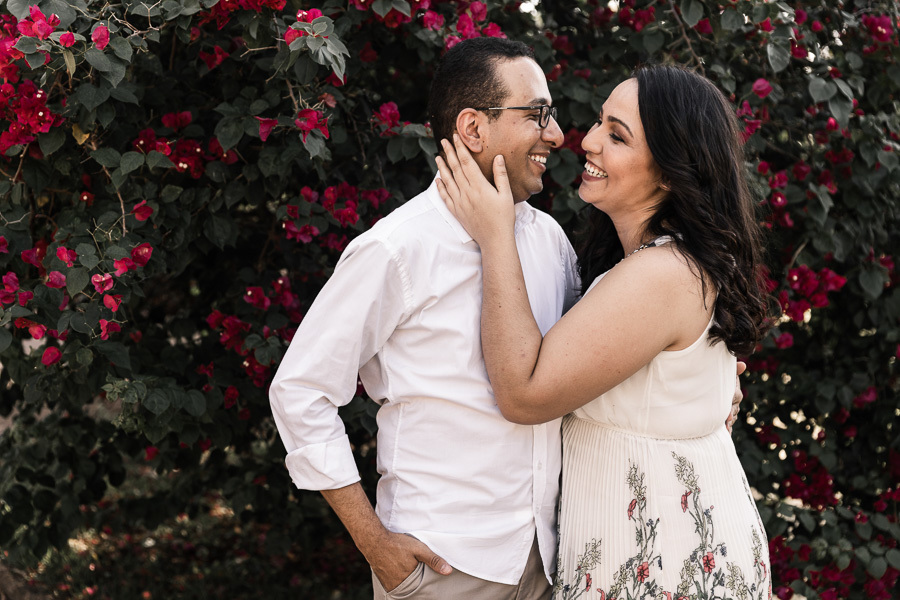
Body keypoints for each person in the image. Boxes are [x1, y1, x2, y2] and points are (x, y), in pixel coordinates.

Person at [435, 64, 772, 600]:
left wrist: (494, 235)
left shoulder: (661, 273)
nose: (587, 141)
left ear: (669, 171)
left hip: (665, 560)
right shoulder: (644, 262)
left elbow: (524, 394)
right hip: (642, 544)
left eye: (617, 135)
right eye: (598, 122)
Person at [269, 37, 579, 599]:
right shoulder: (396, 248)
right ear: (473, 129)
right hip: (440, 568)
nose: (556, 135)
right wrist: (376, 545)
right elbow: (300, 391)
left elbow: (580, 368)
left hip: (548, 562)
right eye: (537, 115)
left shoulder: (549, 239)